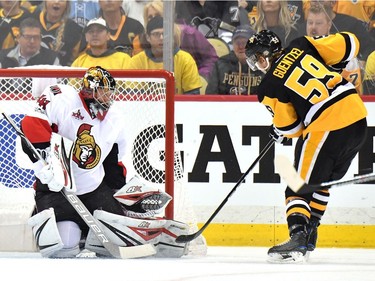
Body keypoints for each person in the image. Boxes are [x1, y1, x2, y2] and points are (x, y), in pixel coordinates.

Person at [21, 66, 188, 258]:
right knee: (64, 246)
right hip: (56, 190)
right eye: (103, 92)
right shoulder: (62, 97)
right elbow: (31, 125)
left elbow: (112, 162)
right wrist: (46, 164)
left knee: (121, 237)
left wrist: (118, 191)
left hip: (95, 190)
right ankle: (72, 230)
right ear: (88, 90)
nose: (107, 97)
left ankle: (159, 234)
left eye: (110, 93)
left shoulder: (115, 118)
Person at [245, 29, 367, 263]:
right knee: (319, 183)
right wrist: (335, 63)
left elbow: (292, 129)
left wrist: (278, 131)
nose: (257, 65)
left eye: (255, 60)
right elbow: (351, 42)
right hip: (357, 116)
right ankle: (310, 232)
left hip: (327, 123)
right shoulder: (302, 44)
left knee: (297, 184)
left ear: (263, 57)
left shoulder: (268, 86)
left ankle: (298, 236)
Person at [133, 0, 218, 80]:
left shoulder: (188, 34)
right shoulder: (141, 40)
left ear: (167, 16)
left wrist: (199, 77)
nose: (154, 20)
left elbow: (211, 59)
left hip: (188, 83)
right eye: (150, 17)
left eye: (158, 15)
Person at [128, 15, 201, 95]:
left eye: (165, 34)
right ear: (148, 37)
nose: (162, 38)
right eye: (156, 34)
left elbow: (193, 95)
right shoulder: (137, 61)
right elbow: (132, 94)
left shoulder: (185, 60)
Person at [305, 4, 363, 95]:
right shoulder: (299, 52)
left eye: (319, 23)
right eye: (310, 23)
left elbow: (355, 92)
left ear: (329, 25)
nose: (313, 27)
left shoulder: (344, 53)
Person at [206, 25, 263, 95]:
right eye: (237, 43)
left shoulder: (263, 66)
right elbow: (211, 95)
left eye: (245, 43)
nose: (241, 47)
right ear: (232, 44)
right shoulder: (220, 64)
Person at [32, 0, 83, 66]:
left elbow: (77, 60)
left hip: (60, 73)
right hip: (31, 71)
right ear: (45, 2)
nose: (56, 2)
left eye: (61, 0)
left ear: (67, 5)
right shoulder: (33, 18)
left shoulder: (74, 29)